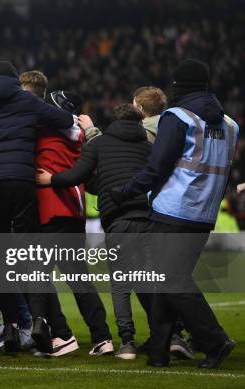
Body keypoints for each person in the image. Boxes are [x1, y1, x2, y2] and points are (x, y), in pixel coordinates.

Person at [113, 59, 239, 368]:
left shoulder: (177, 117)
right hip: (204, 213)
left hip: (172, 211)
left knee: (167, 278)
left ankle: (215, 339)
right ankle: (159, 352)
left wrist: (126, 191)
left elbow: (158, 167)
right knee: (165, 280)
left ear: (179, 87)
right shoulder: (231, 125)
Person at [0, 60, 77, 352]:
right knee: (30, 255)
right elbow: (65, 121)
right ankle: (40, 320)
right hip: (23, 183)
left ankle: (10, 325)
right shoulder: (26, 100)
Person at [37, 104, 153, 360]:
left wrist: (51, 180)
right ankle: (164, 336)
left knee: (119, 283)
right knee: (146, 280)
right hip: (144, 217)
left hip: (109, 218)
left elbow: (81, 175)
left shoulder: (99, 144)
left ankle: (120, 341)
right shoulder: (146, 147)